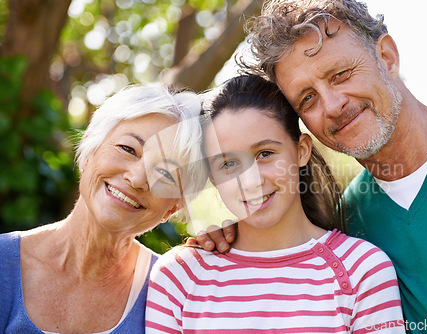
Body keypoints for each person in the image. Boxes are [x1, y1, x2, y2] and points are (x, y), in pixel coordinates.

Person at [195, 0, 427, 332]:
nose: (333, 105)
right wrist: (229, 240)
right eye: (307, 98)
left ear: (386, 56)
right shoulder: (348, 225)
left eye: (340, 74)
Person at [145, 75, 405, 333]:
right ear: (212, 176)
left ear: (301, 150)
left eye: (265, 154)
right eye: (229, 164)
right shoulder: (178, 276)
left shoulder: (363, 270)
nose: (251, 181)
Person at [0, 85, 208, 333]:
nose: (138, 178)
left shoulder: (175, 291)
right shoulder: (4, 262)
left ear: (174, 207)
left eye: (165, 173)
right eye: (128, 149)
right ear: (90, 149)